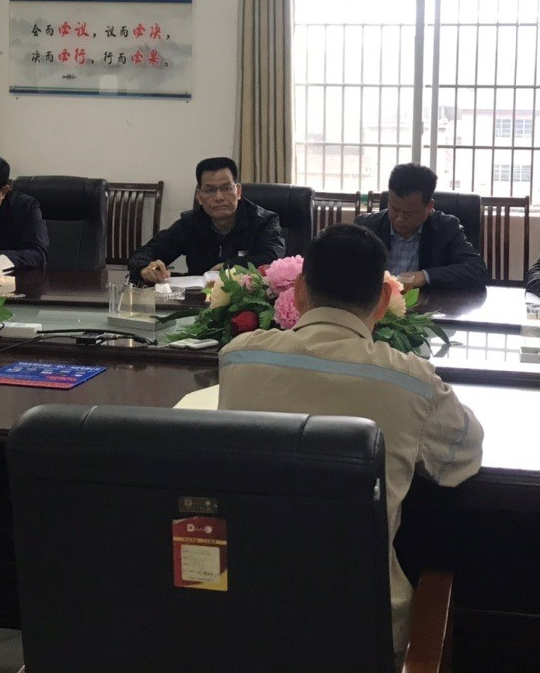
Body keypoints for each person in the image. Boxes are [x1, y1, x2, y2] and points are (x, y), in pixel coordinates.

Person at [218, 223, 483, 665]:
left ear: (299, 291)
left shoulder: (240, 357)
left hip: (244, 622)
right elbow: (462, 459)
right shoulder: (411, 380)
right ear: (384, 300)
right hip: (364, 631)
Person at [128, 156, 284, 283]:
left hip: (248, 302)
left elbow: (274, 259)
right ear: (199, 197)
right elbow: (144, 253)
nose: (219, 197)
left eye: (226, 188)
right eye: (210, 190)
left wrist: (230, 267)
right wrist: (145, 268)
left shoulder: (263, 221)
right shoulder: (190, 223)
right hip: (198, 302)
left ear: (238, 191)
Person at [354, 163, 488, 290]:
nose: (400, 218)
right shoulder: (366, 227)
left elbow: (477, 270)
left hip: (428, 303)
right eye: (394, 209)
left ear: (429, 206)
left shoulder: (446, 228)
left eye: (409, 213)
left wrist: (424, 276)